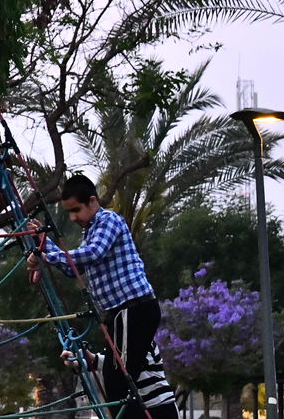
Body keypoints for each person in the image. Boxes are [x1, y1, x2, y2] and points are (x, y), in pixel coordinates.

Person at [27, 174, 163, 419]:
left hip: (133, 309)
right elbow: (72, 268)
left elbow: (93, 253)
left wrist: (46, 257)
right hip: (119, 314)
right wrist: (44, 245)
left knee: (119, 382)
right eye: (69, 212)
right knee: (116, 380)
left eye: (76, 210)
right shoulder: (90, 232)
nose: (73, 218)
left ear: (92, 201)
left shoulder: (109, 220)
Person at [61, 343, 178, 419]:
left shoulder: (142, 337)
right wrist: (77, 362)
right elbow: (108, 364)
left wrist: (90, 358)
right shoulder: (120, 342)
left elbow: (123, 365)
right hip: (136, 408)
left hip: (160, 408)